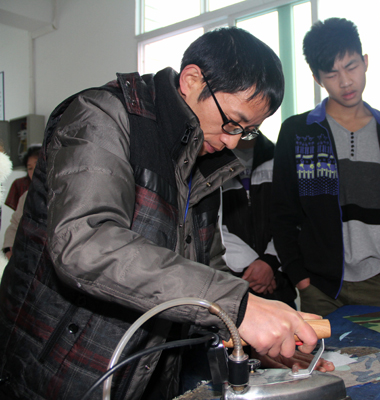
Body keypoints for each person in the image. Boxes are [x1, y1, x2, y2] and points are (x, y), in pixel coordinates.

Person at [0, 27, 326, 400]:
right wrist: (238, 308)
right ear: (191, 80)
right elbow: (86, 242)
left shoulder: (207, 163)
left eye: (248, 132)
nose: (233, 141)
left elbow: (207, 271)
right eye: (232, 123)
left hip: (149, 374)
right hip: (60, 372)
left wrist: (248, 338)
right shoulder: (102, 116)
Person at [271, 18, 380, 317]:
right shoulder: (298, 132)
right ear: (317, 78)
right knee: (324, 350)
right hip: (321, 288)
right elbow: (282, 212)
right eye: (332, 74)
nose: (345, 81)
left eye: (351, 66)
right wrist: (300, 277)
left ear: (365, 62)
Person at [221, 135, 297, 308]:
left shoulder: (280, 157)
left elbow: (293, 218)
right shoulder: (212, 161)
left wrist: (271, 261)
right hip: (229, 286)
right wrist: (253, 266)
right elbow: (210, 225)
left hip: (279, 283)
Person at [2, 144, 41, 259]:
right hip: (29, 257)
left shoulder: (62, 193)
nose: (33, 171)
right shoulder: (26, 197)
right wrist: (8, 248)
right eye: (30, 168)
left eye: (37, 165)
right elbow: (15, 224)